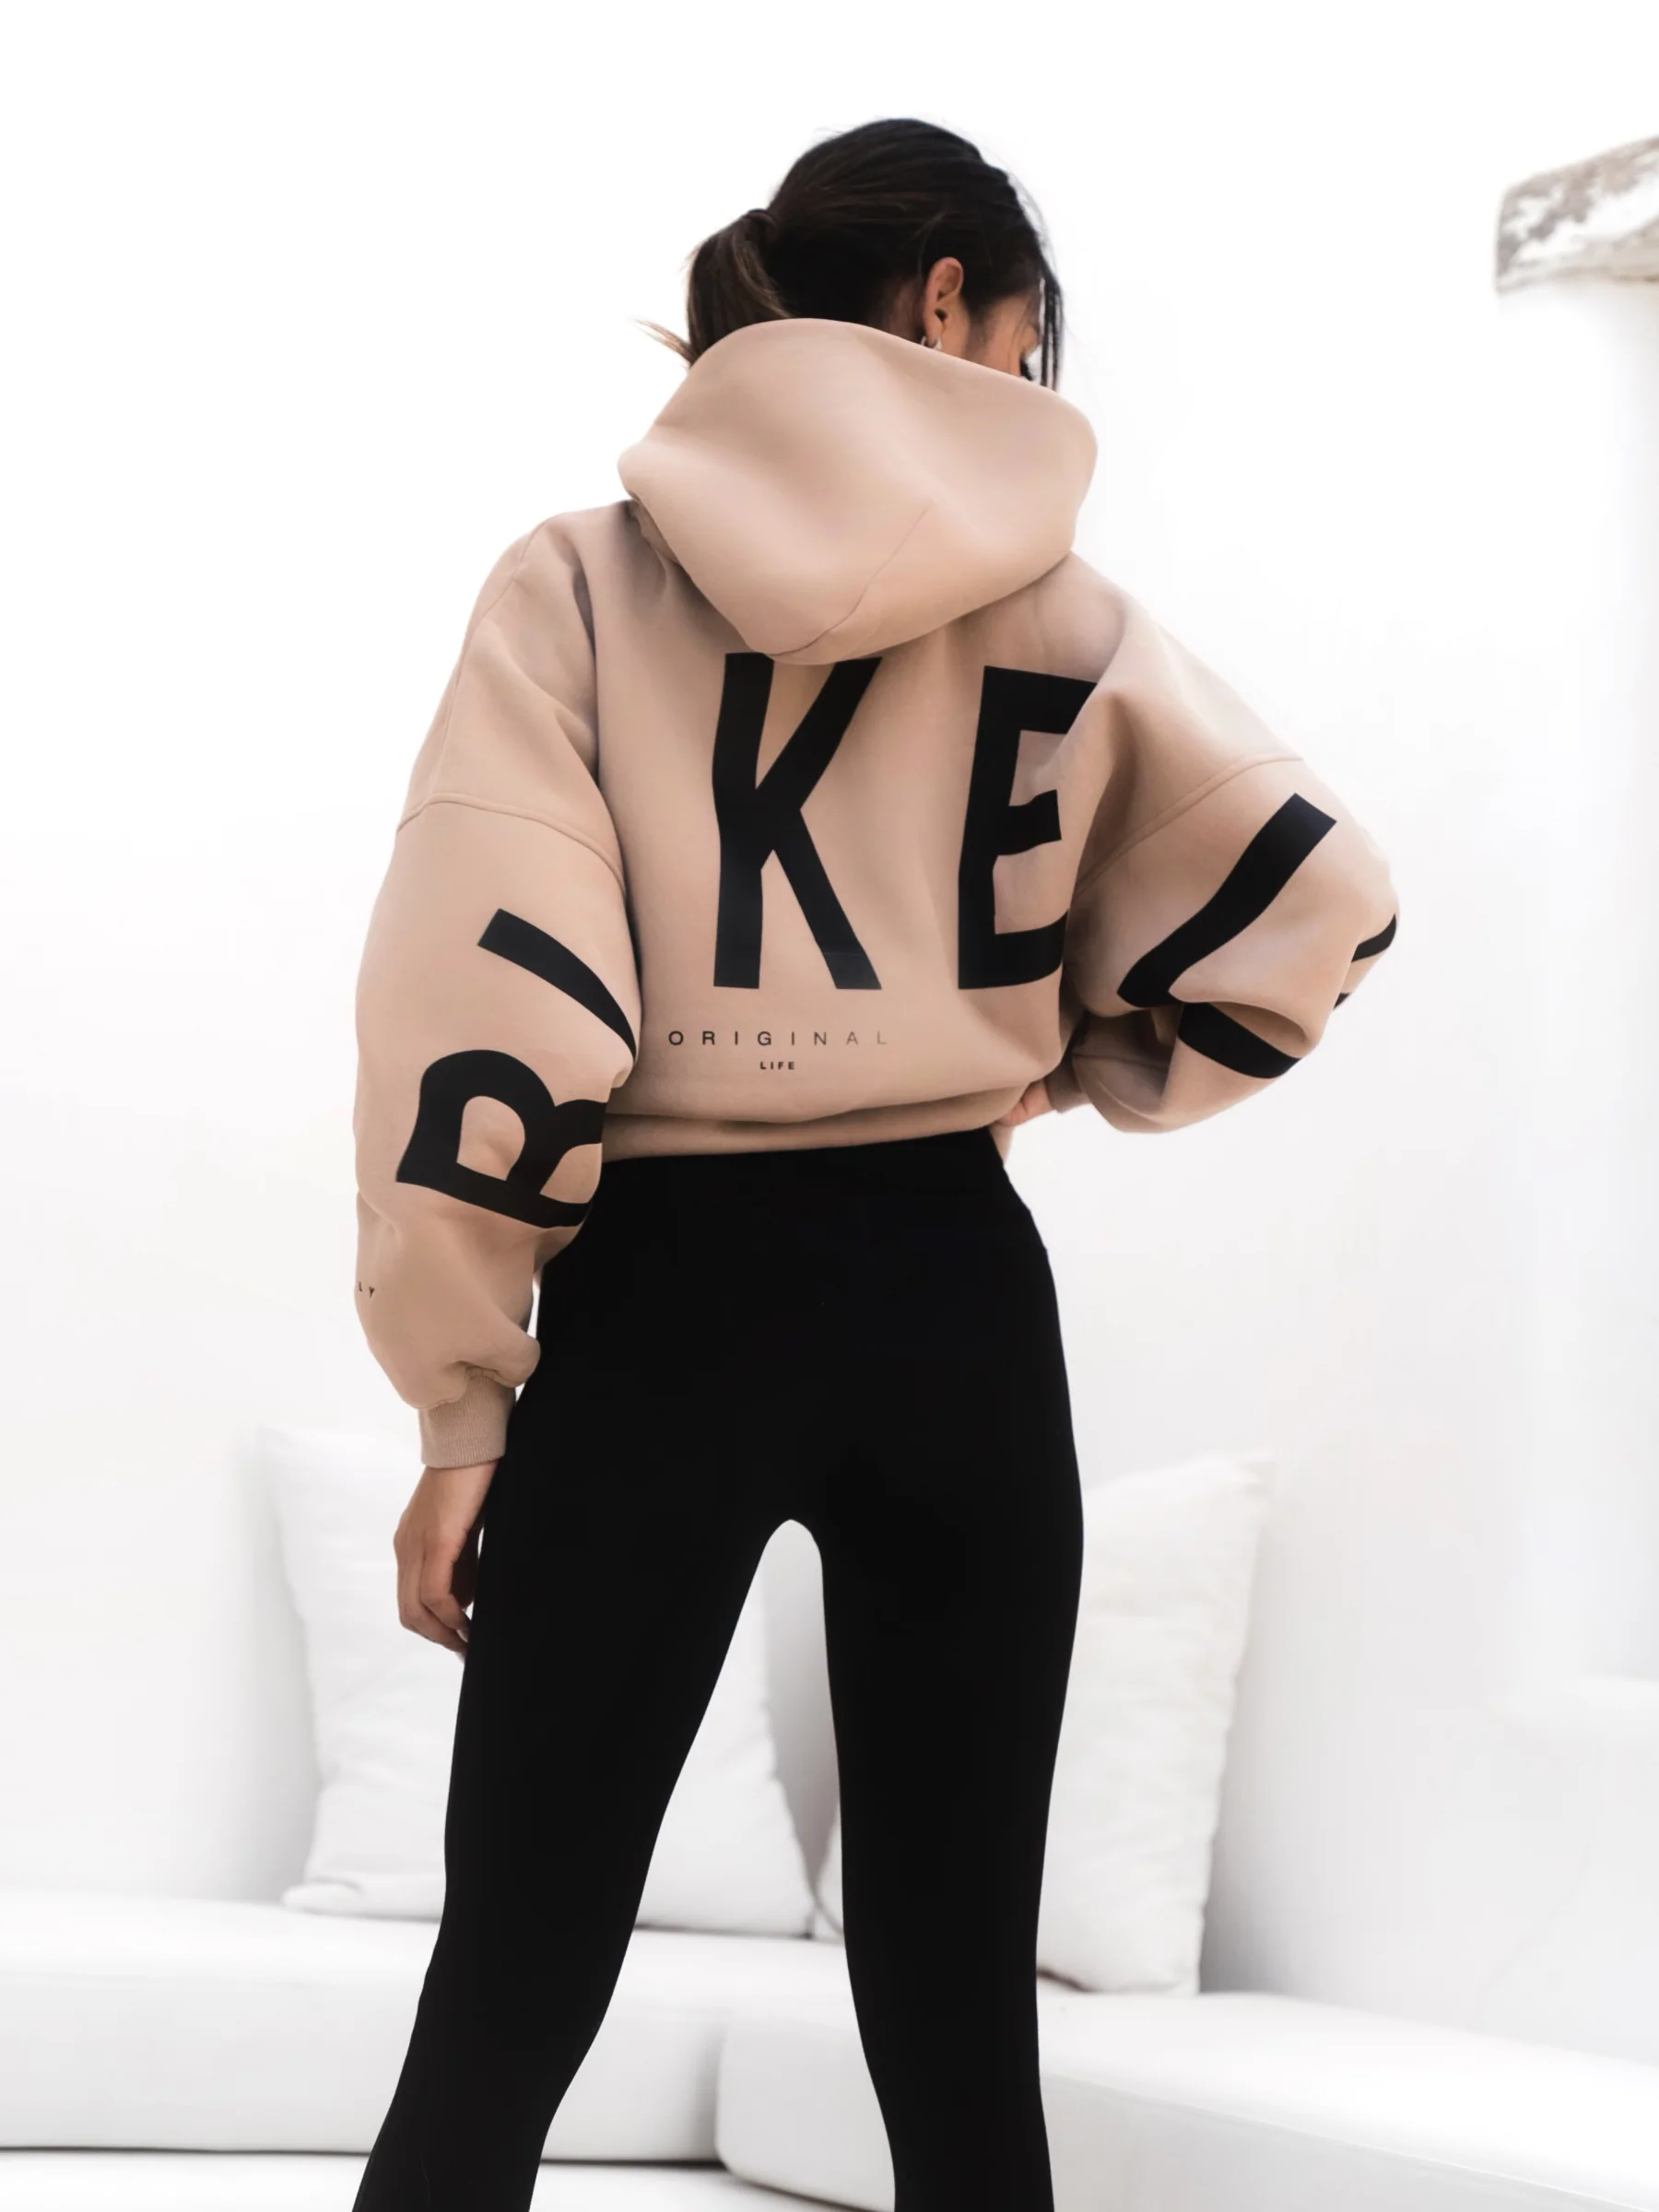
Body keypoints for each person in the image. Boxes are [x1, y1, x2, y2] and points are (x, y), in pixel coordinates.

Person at [347, 115, 1399, 2212]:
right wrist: (1063, 1063)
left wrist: (462, 1404)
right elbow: (1318, 900)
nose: (1024, 379)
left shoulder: (576, 584)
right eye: (1024, 337)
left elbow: (486, 1007)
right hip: (949, 1294)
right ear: (944, 303)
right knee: (955, 2023)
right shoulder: (1064, 611)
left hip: (658, 1302)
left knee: (511, 1987)